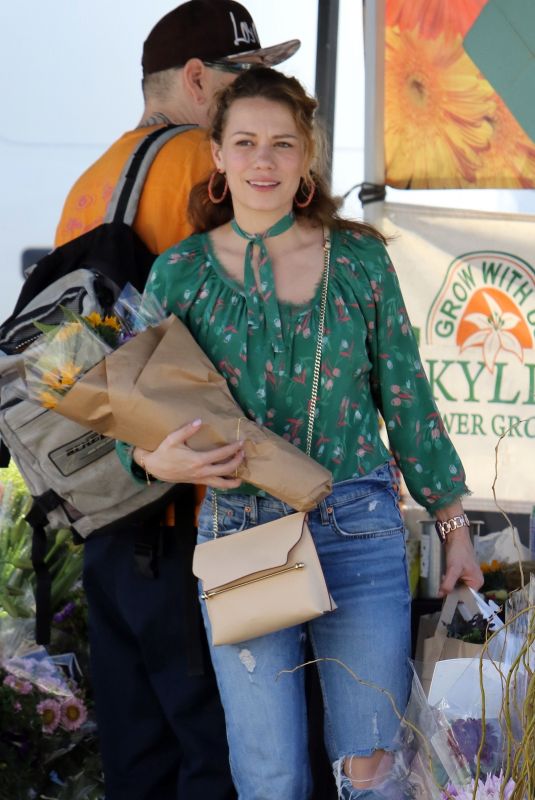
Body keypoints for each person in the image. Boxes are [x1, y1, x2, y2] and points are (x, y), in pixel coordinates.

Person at [119, 67, 483, 799]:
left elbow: (406, 398)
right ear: (216, 154)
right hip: (237, 533)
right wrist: (154, 459)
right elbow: (139, 418)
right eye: (245, 142)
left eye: (282, 144)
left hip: (358, 527)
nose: (263, 160)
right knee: (270, 776)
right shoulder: (178, 275)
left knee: (371, 768)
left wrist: (453, 524)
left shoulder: (360, 261)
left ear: (306, 156)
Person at [54, 5, 300, 800]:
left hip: (108, 518)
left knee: (137, 764)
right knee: (227, 761)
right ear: (198, 81)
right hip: (205, 518)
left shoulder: (87, 181)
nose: (263, 96)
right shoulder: (212, 165)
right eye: (246, 76)